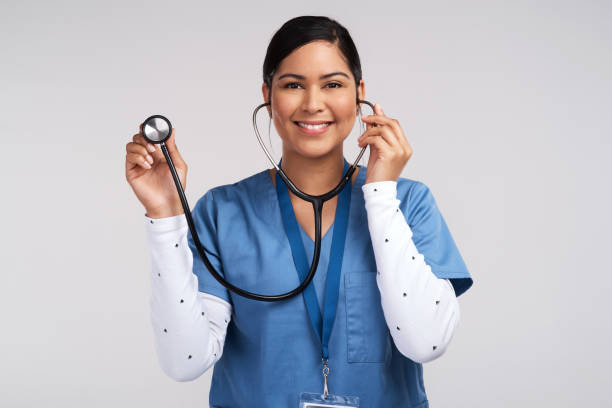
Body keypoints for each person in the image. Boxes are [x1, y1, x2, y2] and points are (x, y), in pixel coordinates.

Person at [125, 15, 473, 407]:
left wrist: (379, 193)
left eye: (333, 84)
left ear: (359, 93)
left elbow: (426, 342)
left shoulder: (408, 204)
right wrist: (165, 217)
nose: (312, 104)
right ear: (268, 94)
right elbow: (185, 361)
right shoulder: (222, 213)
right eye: (293, 85)